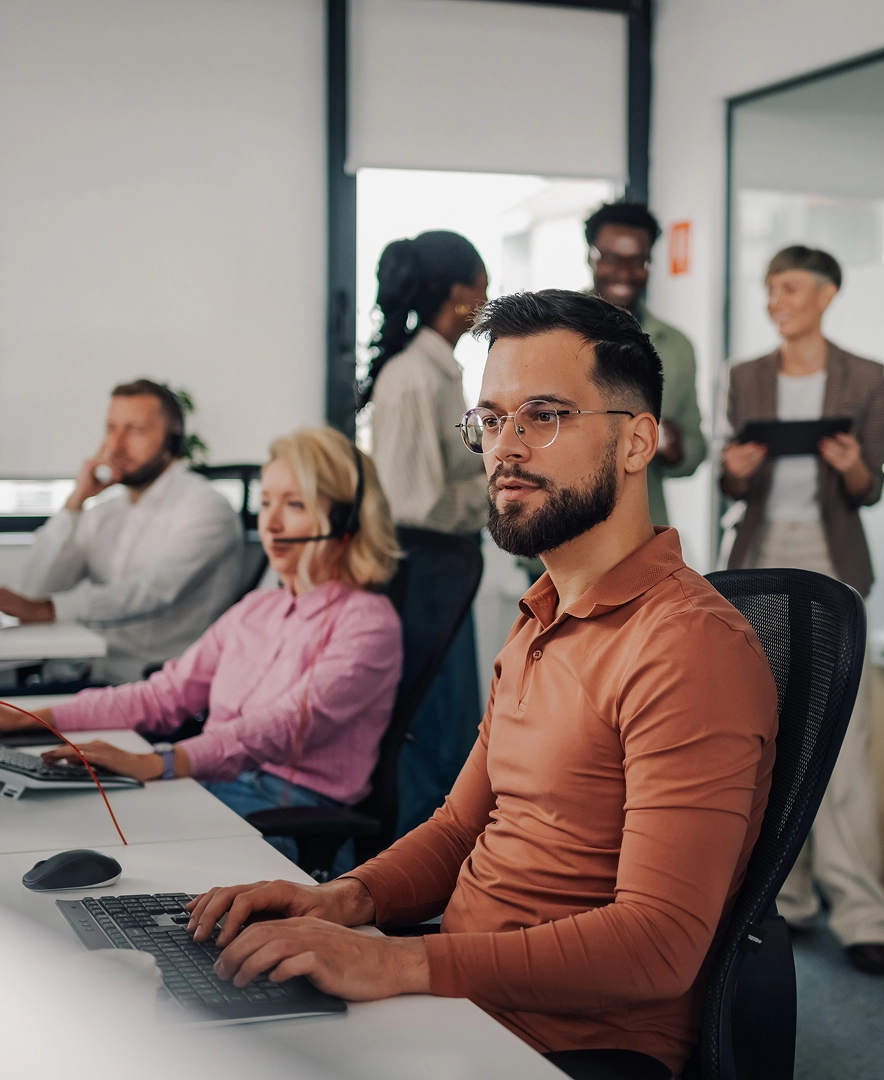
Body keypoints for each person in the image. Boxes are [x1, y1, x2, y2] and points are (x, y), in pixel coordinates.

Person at [183, 290, 778, 1080]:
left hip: (566, 1049)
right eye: (492, 421)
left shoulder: (688, 647)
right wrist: (343, 902)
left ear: (637, 442)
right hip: (458, 1009)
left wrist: (401, 964)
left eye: (543, 416)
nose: (506, 448)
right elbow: (459, 828)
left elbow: (658, 945)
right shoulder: (539, 619)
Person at [0, 428, 403, 877]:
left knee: (101, 839)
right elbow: (163, 696)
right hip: (210, 787)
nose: (270, 525)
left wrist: (159, 762)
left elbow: (277, 728)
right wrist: (35, 718)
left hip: (285, 820)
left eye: (294, 505)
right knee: (65, 818)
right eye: (266, 502)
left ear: (344, 520)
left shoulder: (369, 623)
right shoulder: (256, 609)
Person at [720, 245, 884, 975]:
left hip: (832, 560)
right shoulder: (745, 379)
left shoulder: (866, 377)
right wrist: (735, 476)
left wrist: (851, 465)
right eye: (769, 289)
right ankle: (782, 898)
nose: (776, 300)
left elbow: (871, 486)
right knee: (764, 728)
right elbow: (736, 488)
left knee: (844, 739)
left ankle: (865, 914)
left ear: (827, 293)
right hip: (760, 556)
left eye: (789, 288)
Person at [363, 230, 490, 836]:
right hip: (425, 570)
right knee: (431, 726)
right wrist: (499, 496)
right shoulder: (414, 376)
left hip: (446, 568)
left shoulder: (443, 372)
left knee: (452, 724)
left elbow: (445, 468)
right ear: (461, 293)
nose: (489, 298)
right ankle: (404, 882)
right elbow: (416, 501)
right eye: (484, 286)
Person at [0, 380, 242, 684]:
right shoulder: (105, 512)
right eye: (111, 429)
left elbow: (150, 592)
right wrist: (75, 503)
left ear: (173, 442)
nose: (116, 446)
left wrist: (46, 609)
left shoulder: (206, 508)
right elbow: (34, 591)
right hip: (91, 674)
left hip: (158, 684)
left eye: (135, 430)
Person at [585, 201, 706, 525]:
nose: (624, 272)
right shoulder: (552, 330)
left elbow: (695, 450)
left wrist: (675, 449)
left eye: (638, 260)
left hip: (638, 533)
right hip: (557, 535)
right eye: (611, 258)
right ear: (590, 257)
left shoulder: (676, 347)